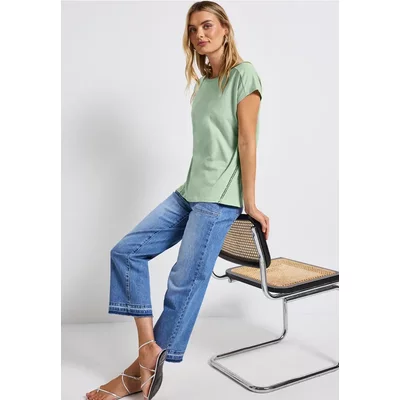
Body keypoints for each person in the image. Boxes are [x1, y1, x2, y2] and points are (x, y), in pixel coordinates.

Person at [86, 1, 269, 399]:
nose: (199, 34)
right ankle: (148, 349)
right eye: (192, 29)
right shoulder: (203, 86)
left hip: (218, 200)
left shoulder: (244, 75)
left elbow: (247, 141)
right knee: (126, 252)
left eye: (207, 25)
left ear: (225, 29)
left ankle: (133, 375)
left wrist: (250, 203)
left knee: (183, 282)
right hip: (189, 192)